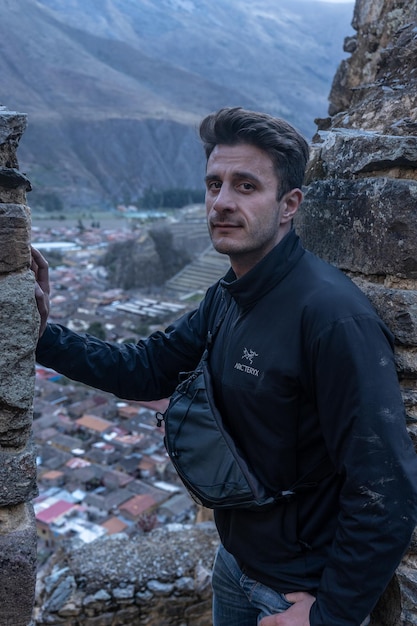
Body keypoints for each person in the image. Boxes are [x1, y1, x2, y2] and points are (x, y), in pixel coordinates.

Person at [32, 107, 417, 626]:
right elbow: (146, 369)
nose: (222, 202)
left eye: (245, 186)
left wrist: (329, 618)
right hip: (236, 565)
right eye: (214, 184)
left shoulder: (331, 318)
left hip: (292, 591)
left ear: (289, 205)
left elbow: (386, 487)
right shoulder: (229, 296)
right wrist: (40, 336)